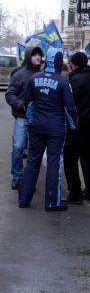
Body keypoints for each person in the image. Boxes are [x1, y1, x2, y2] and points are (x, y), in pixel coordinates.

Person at [18, 47, 77, 211]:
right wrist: (74, 125)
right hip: (56, 128)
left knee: (32, 161)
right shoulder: (63, 82)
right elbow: (70, 108)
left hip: (37, 125)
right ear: (58, 61)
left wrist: (31, 122)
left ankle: (24, 199)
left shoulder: (34, 78)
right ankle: (52, 202)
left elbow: (28, 103)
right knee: (53, 163)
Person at [63, 52, 90, 202]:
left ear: (75, 64)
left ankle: (75, 193)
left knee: (70, 160)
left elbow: (70, 104)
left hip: (77, 126)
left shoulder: (75, 80)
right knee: (89, 159)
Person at [5, 46, 43, 189]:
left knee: (34, 151)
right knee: (18, 147)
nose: (38, 57)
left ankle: (29, 179)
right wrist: (21, 105)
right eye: (34, 55)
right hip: (22, 117)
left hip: (39, 119)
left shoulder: (43, 74)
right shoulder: (19, 75)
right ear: (28, 56)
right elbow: (9, 94)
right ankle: (17, 176)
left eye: (39, 55)